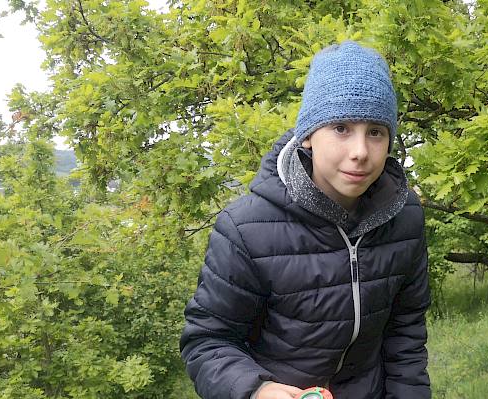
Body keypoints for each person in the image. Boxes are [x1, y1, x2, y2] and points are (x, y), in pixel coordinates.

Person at [180, 41, 431, 399]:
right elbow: (207, 340)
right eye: (341, 128)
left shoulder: (404, 216)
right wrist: (256, 390)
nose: (360, 152)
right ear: (310, 136)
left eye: (375, 131)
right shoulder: (245, 229)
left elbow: (405, 332)